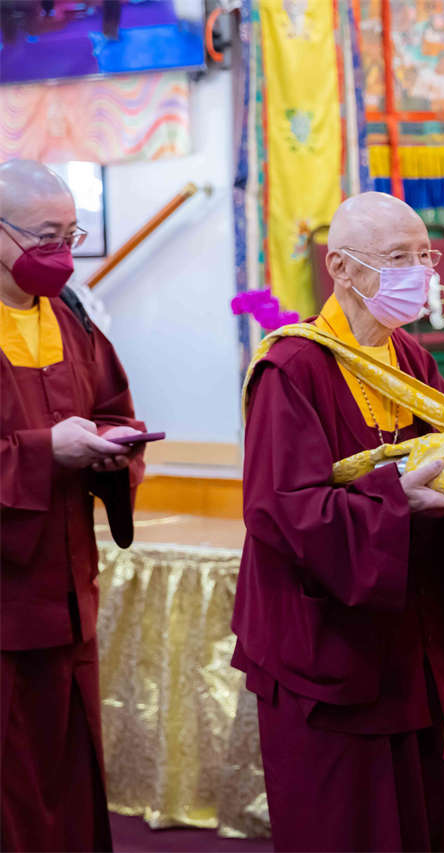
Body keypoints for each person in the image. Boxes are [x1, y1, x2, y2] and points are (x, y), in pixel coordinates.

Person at [232, 191, 444, 851]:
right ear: (341, 268)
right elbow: (281, 510)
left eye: (425, 257)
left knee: (428, 820)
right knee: (348, 827)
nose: (421, 273)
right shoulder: (291, 367)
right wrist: (397, 502)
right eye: (399, 258)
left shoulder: (411, 360)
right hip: (327, 646)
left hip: (413, 637)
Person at [0, 159, 147, 850]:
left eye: (70, 235)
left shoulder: (72, 316)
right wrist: (42, 452)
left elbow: (114, 407)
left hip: (66, 591)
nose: (61, 254)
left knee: (71, 764)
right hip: (6, 594)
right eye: (45, 237)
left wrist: (114, 453)